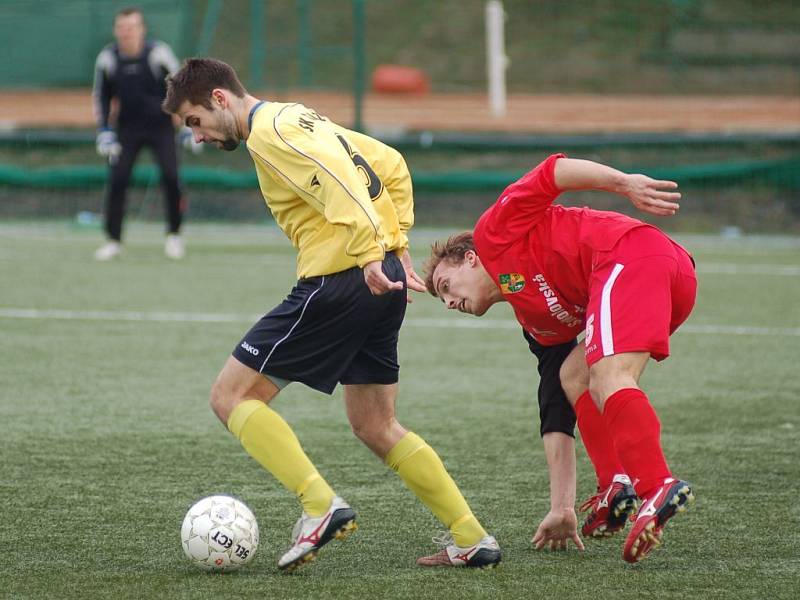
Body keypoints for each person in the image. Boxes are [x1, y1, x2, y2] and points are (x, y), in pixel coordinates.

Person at [162, 57, 501, 571]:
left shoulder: (269, 134)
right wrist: (394, 243)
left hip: (343, 277)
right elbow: (388, 163)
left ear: (219, 99)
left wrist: (369, 252)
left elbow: (339, 176)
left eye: (194, 122)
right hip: (376, 277)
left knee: (230, 396)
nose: (198, 136)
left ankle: (319, 506)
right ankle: (471, 536)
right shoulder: (297, 117)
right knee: (376, 423)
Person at [424, 153, 697, 563]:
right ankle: (614, 486)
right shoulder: (535, 320)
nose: (448, 301)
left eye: (445, 285)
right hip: (667, 281)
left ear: (470, 258)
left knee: (609, 377)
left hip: (632, 254)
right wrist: (562, 506)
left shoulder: (493, 233)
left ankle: (657, 484)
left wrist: (624, 184)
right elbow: (555, 406)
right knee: (574, 375)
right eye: (442, 298)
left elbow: (554, 173)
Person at [92, 6, 198, 261]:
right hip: (126, 130)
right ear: (116, 30)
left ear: (142, 29)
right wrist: (105, 131)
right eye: (122, 28)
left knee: (172, 178)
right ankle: (113, 240)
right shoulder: (107, 58)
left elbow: (180, 89)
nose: (126, 33)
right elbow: (101, 97)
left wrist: (188, 125)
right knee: (117, 181)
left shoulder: (157, 54)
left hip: (160, 128)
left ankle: (174, 235)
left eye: (131, 27)